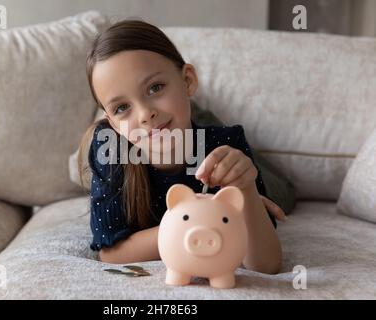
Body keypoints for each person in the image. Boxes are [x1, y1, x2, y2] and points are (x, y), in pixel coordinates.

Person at [77, 19, 285, 274]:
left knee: (282, 193)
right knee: (86, 156)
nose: (145, 113)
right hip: (145, 137)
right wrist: (203, 213)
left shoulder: (226, 143)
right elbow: (110, 254)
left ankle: (192, 112)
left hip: (201, 137)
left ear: (188, 80)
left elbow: (267, 265)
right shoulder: (110, 149)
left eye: (155, 87)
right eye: (121, 107)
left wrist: (249, 191)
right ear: (112, 122)